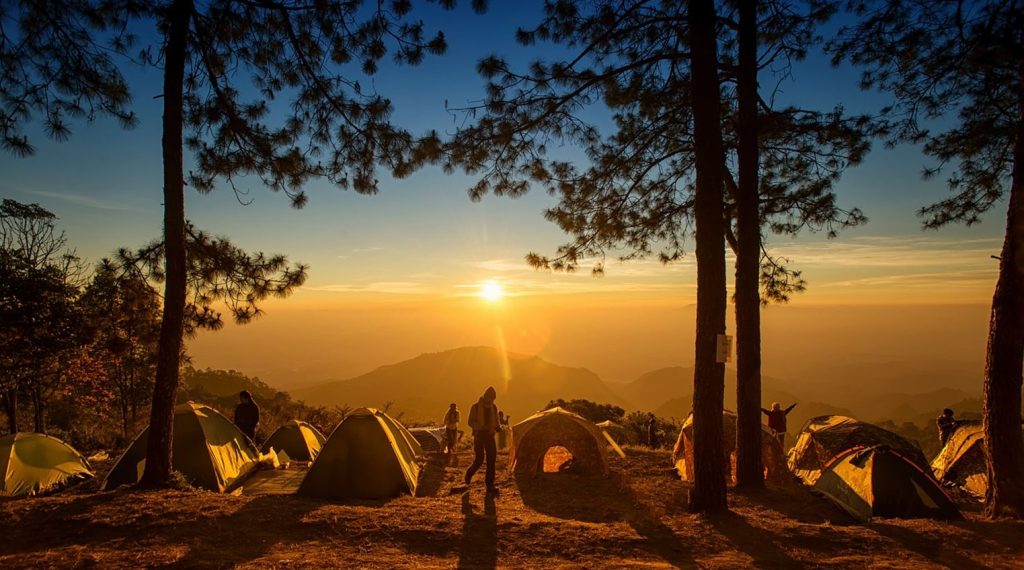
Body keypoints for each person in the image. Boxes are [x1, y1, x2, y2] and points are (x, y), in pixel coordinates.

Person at [465, 386, 500, 493]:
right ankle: (469, 473)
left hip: (490, 436)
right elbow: (470, 422)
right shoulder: (475, 407)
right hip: (479, 436)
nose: (491, 400)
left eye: (493, 399)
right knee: (479, 460)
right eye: (490, 398)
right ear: (486, 396)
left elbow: (496, 421)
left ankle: (490, 485)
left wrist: (497, 427)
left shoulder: (493, 408)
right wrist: (479, 427)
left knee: (491, 460)